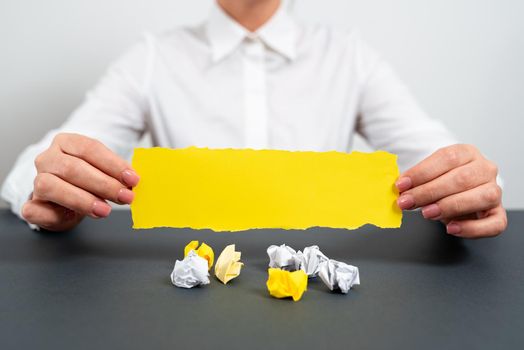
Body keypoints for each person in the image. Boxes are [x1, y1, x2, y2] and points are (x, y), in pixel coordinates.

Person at [1, 0, 506, 237]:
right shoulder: (153, 58)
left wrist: (472, 187)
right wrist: (43, 180)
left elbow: (443, 162)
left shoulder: (348, 56)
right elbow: (34, 168)